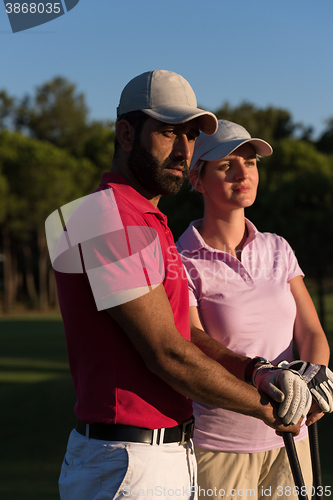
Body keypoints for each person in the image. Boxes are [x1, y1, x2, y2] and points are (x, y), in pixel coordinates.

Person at [48, 71, 313, 500]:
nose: (183, 150)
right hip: (126, 461)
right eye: (170, 132)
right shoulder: (104, 216)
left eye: (190, 136)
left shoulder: (150, 223)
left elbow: (183, 332)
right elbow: (166, 354)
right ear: (126, 133)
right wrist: (269, 408)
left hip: (164, 454)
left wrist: (257, 371)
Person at [176, 119, 333, 499]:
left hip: (291, 440)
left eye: (251, 162)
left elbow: (310, 332)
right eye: (227, 164)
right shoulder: (181, 258)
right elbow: (193, 342)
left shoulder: (278, 247)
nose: (243, 172)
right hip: (219, 446)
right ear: (198, 180)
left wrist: (315, 378)